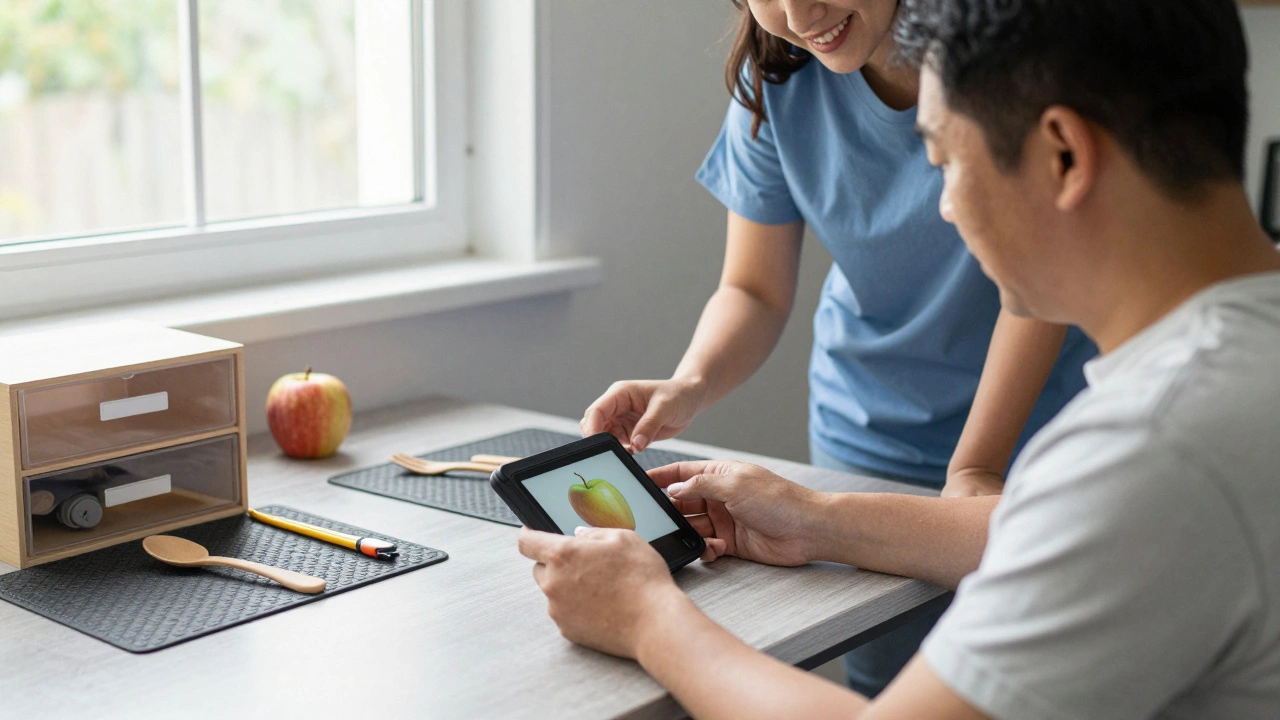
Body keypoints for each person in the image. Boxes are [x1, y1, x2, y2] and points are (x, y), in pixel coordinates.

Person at [523, 0, 1280, 717]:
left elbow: (1100, 518)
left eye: (944, 157)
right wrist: (818, 520)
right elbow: (1057, 535)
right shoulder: (1225, 385)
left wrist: (648, 617)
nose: (942, 207)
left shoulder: (1152, 454)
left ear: (1061, 154)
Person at [580, 0, 1097, 696]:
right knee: (889, 680)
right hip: (864, 435)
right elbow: (753, 290)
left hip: (1032, 436)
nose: (800, 13)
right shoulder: (778, 81)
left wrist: (975, 467)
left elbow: (1038, 285)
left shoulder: (995, 54)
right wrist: (689, 384)